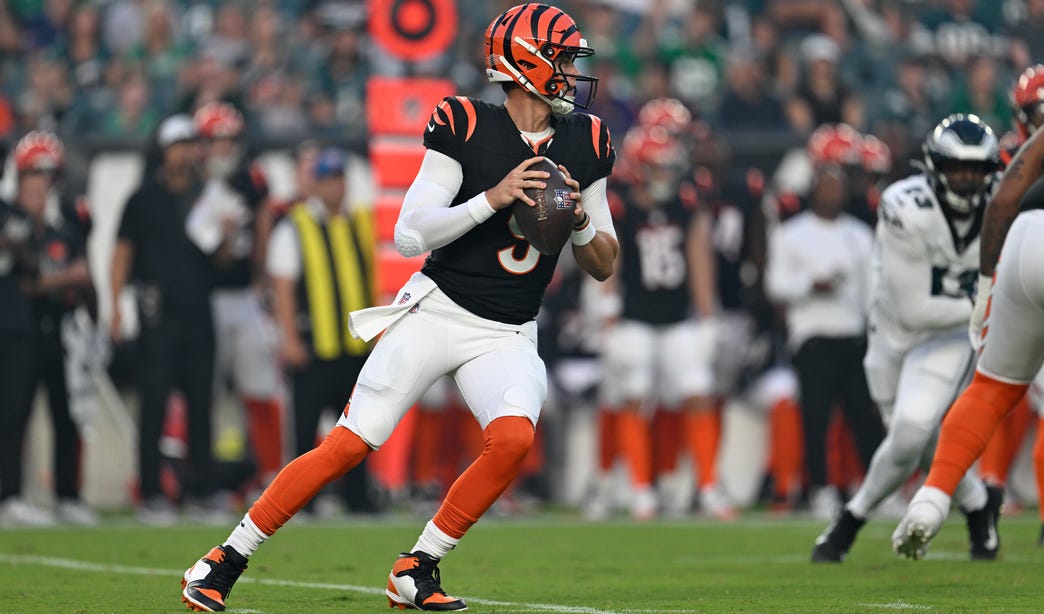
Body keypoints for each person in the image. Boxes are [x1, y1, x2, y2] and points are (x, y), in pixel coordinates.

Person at [181, 4, 617, 612]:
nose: (572, 72)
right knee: (351, 442)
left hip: (508, 329)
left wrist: (577, 223)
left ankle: (418, 566)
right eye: (563, 58)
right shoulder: (464, 123)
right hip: (438, 309)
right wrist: (492, 198)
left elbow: (604, 261)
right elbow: (411, 233)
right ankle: (224, 558)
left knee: (514, 439)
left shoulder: (587, 141)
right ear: (526, 63)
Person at [891, 80, 1044, 568]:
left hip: (1029, 231)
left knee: (991, 388)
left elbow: (1004, 197)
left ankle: (932, 498)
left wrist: (985, 289)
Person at [811, 114, 1002, 563]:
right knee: (917, 440)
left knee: (911, 430)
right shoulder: (905, 204)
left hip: (949, 338)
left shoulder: (1001, 209)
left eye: (977, 170)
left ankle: (848, 523)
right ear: (935, 166)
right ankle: (978, 506)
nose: (968, 179)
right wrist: (988, 309)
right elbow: (914, 309)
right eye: (959, 168)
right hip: (893, 334)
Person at [596, 123, 728, 520]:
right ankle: (640, 490)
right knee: (635, 396)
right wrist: (607, 312)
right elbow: (608, 259)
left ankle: (707, 486)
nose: (664, 176)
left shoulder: (686, 203)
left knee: (698, 393)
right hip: (635, 315)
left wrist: (707, 314)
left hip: (677, 316)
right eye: (656, 168)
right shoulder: (618, 204)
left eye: (668, 168)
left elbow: (699, 255)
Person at [765, 149, 884, 520]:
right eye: (826, 185)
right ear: (813, 189)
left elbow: (873, 292)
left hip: (851, 334)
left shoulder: (860, 234)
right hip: (813, 334)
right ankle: (821, 489)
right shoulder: (790, 233)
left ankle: (878, 489)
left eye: (838, 186)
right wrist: (809, 284)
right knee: (816, 418)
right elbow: (775, 284)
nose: (833, 192)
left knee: (866, 417)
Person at [111, 115, 217, 525]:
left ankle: (202, 489)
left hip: (198, 311)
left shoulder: (206, 195)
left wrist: (224, 234)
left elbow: (222, 258)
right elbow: (123, 252)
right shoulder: (142, 198)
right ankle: (152, 491)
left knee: (201, 404)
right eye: (176, 145)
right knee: (153, 403)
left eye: (188, 144)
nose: (183, 152)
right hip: (156, 313)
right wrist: (117, 305)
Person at [266, 147, 381, 515]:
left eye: (340, 179)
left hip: (355, 344)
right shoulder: (296, 224)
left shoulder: (361, 221)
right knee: (304, 428)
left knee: (358, 428)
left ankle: (357, 497)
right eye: (329, 180)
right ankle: (302, 500)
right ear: (315, 184)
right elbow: (283, 285)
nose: (336, 187)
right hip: (315, 343)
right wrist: (290, 338)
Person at [0, 131, 98, 527]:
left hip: (56, 329)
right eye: (33, 175)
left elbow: (83, 276)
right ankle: (9, 494)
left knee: (66, 412)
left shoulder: (63, 226)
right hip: (14, 328)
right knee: (14, 414)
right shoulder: (9, 217)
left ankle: (67, 494)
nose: (40, 183)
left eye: (46, 174)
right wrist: (63, 278)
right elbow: (30, 279)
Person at [188, 101, 284, 490]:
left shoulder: (250, 179)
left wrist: (261, 280)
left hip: (243, 295)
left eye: (229, 140)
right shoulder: (190, 181)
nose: (224, 148)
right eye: (216, 140)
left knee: (260, 385)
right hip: (202, 299)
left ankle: (272, 474)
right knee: (200, 390)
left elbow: (262, 229)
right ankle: (190, 476)